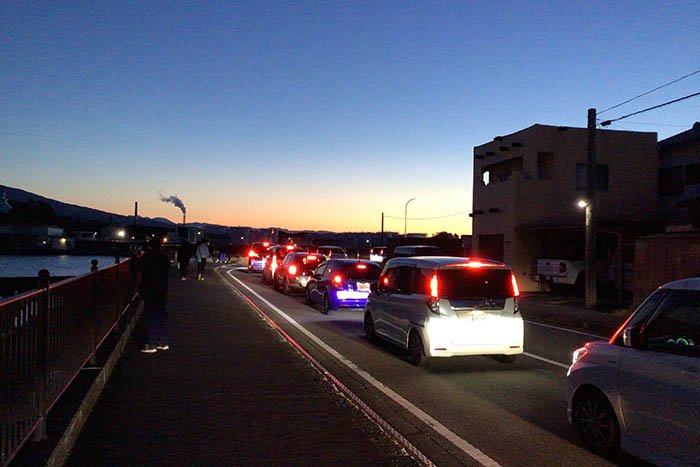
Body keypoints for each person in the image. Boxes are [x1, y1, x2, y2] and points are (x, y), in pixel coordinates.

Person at [138, 237, 171, 353]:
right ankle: (164, 342)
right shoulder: (164, 258)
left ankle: (152, 344)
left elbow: (136, 267)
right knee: (162, 314)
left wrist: (137, 255)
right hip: (162, 290)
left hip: (149, 289)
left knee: (152, 315)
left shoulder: (145, 258)